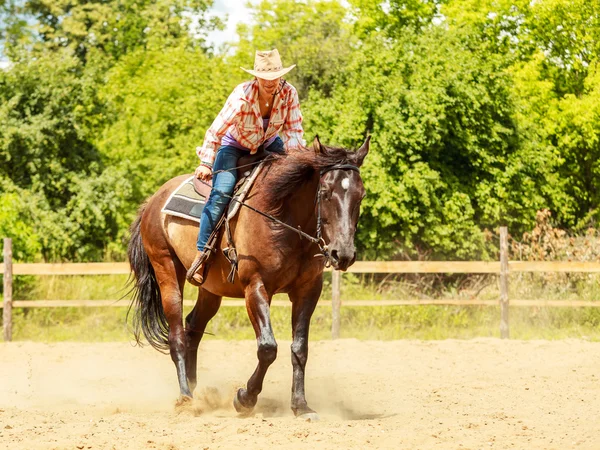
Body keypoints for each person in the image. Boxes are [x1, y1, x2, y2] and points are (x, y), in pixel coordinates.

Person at [186, 49, 304, 285]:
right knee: (221, 193)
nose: (271, 83)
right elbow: (216, 130)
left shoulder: (289, 93)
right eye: (266, 78)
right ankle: (202, 254)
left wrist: (296, 162)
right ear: (256, 77)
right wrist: (206, 162)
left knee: (296, 186)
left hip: (270, 143)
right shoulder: (242, 95)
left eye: (275, 78)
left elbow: (293, 131)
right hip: (235, 146)